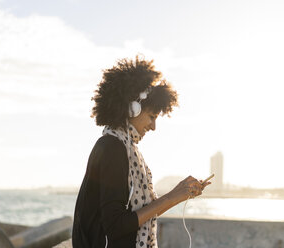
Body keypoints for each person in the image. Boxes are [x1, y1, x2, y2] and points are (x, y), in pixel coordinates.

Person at [72, 56, 211, 248]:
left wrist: (181, 195)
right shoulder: (113, 149)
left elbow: (137, 216)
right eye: (152, 116)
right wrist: (173, 196)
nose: (153, 126)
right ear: (132, 109)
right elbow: (116, 226)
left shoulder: (125, 148)